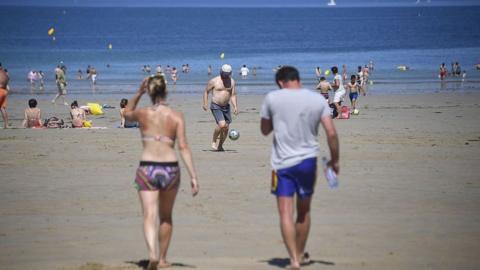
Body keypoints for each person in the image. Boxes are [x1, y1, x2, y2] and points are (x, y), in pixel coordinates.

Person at [260, 66, 340, 270]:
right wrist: (335, 161)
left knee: (285, 213)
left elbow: (264, 130)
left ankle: (294, 260)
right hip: (308, 162)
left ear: (280, 82)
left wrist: (279, 120)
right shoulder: (317, 100)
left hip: (281, 164)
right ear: (298, 79)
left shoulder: (272, 98)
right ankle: (301, 253)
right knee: (303, 211)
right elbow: (331, 133)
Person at [123, 75, 199, 270]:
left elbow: (126, 113)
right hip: (170, 168)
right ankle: (163, 259)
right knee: (166, 216)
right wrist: (193, 176)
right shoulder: (176, 116)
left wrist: (139, 92)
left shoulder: (143, 113)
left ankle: (152, 254)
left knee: (149, 215)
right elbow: (183, 147)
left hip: (147, 167)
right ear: (166, 91)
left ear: (150, 92)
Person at [202, 64, 238, 151]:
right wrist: (205, 103)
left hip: (226, 107)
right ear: (221, 71)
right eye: (224, 73)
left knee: (226, 128)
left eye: (227, 74)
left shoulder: (232, 82)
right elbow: (206, 91)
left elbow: (233, 95)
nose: (225, 75)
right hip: (216, 105)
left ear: (230, 73)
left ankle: (220, 146)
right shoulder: (214, 81)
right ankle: (214, 140)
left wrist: (235, 106)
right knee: (222, 125)